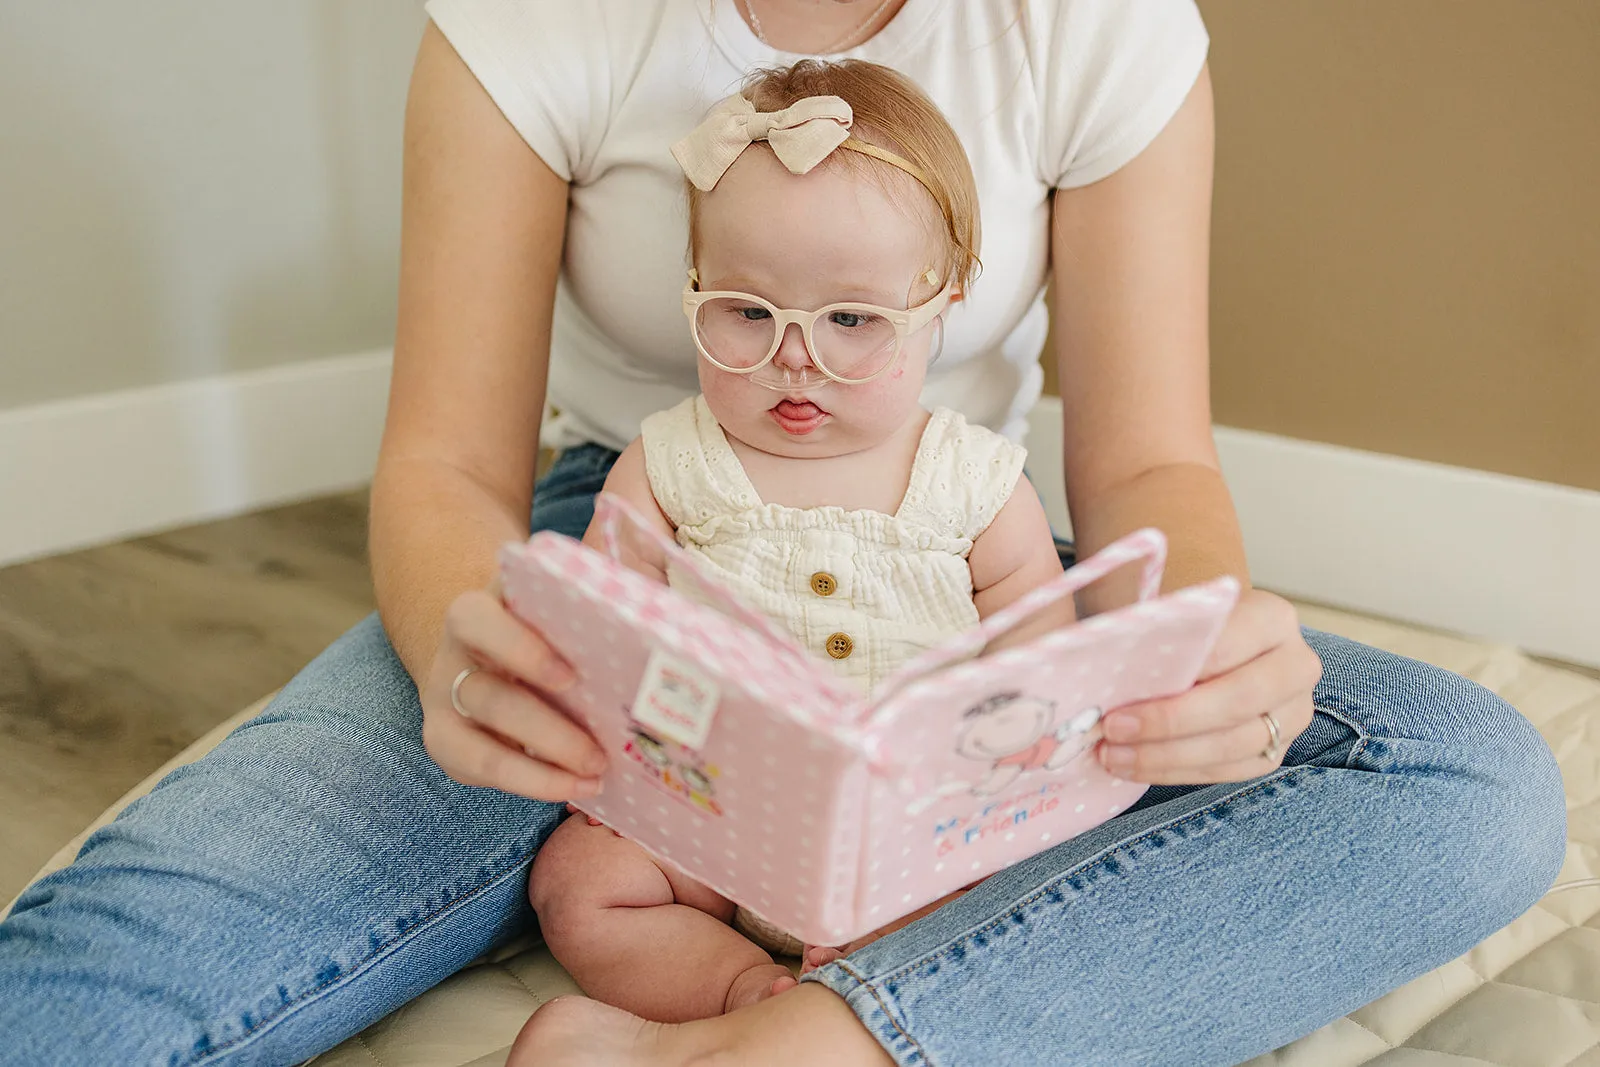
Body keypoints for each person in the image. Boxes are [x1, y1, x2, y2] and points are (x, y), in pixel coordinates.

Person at [0, 2, 1566, 1065]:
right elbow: (439, 466)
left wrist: (1203, 644)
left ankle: (807, 1039)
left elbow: (1147, 457)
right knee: (117, 964)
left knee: (1460, 772)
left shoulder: (1096, 25)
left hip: (953, 587)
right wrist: (469, 650)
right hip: (631, 564)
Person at [526, 58, 1066, 1025]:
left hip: (906, 832)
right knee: (580, 881)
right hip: (705, 812)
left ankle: (858, 999)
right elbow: (603, 623)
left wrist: (996, 756)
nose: (793, 358)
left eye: (851, 320)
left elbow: (1037, 641)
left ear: (943, 305)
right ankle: (736, 989)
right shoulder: (669, 464)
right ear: (695, 289)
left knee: (1005, 903)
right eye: (747, 313)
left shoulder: (973, 482)